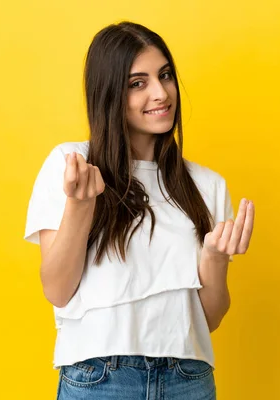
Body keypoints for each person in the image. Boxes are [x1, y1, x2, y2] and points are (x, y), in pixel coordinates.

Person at [24, 21, 255, 400]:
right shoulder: (73, 166)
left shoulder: (207, 186)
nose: (161, 93)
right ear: (109, 94)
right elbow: (57, 290)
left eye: (165, 76)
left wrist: (213, 258)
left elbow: (208, 320)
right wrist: (81, 207)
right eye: (138, 83)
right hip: (100, 378)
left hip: (188, 378)